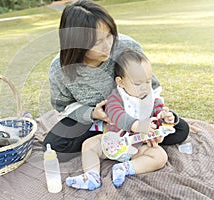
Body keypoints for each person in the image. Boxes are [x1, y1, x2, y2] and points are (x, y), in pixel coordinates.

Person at [43, 0, 189, 161]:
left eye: (110, 36)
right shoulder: (60, 69)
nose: (107, 46)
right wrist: (93, 113)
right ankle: (113, 139)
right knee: (54, 146)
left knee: (180, 130)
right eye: (98, 42)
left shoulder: (127, 47)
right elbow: (63, 106)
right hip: (94, 121)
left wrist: (149, 120)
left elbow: (150, 87)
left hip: (134, 112)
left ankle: (125, 140)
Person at [65, 48, 190, 190]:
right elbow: (117, 115)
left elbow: (158, 116)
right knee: (89, 145)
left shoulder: (152, 99)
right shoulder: (115, 98)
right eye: (137, 84)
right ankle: (91, 176)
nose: (144, 88)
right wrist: (137, 125)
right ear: (121, 82)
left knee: (160, 156)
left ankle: (126, 168)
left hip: (137, 147)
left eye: (148, 82)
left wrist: (165, 118)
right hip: (112, 142)